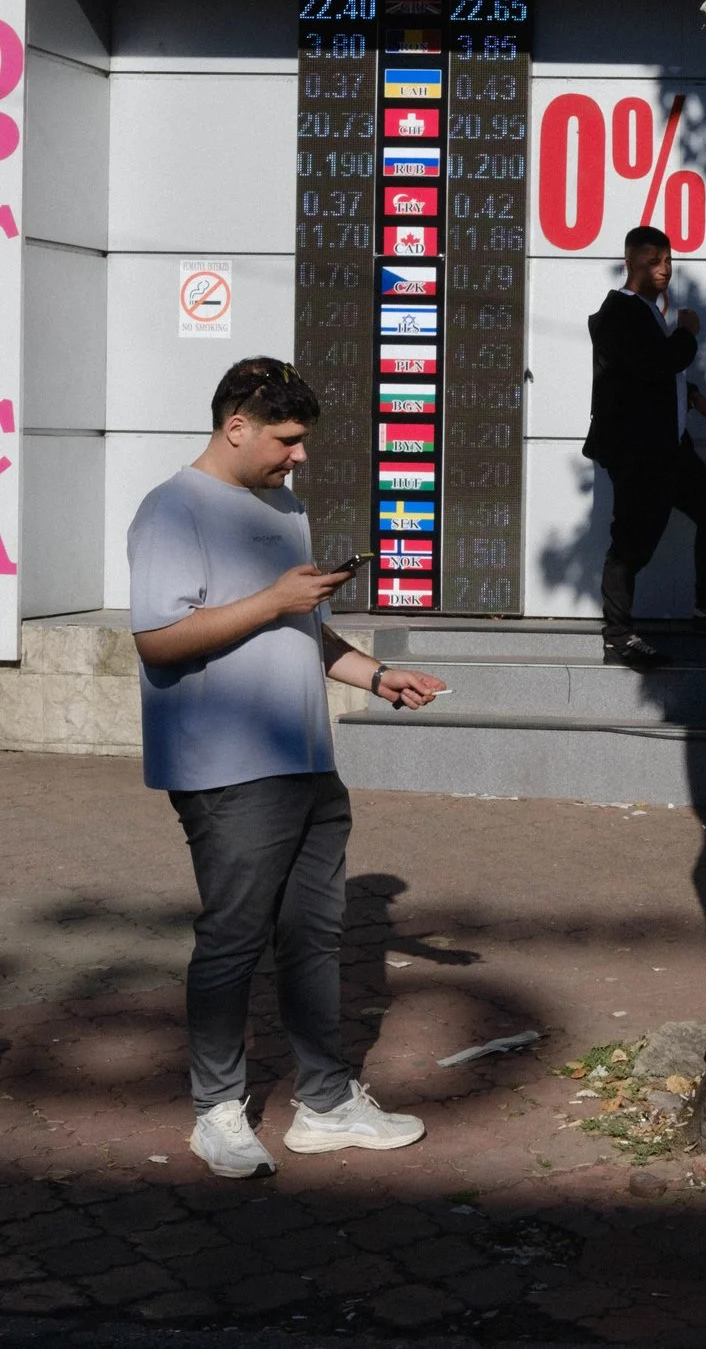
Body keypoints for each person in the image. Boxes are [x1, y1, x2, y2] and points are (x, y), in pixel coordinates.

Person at [127, 356, 449, 1178]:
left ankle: (326, 1104)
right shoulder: (172, 508)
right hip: (224, 769)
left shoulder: (285, 506)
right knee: (233, 939)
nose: (298, 456)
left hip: (308, 761)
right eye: (286, 439)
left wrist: (376, 675)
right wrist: (273, 600)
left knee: (314, 937)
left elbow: (307, 632)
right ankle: (216, 1111)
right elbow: (157, 639)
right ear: (236, 426)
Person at [585, 225, 706, 665]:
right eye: (652, 262)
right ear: (629, 264)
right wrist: (687, 332)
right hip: (639, 452)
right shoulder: (618, 314)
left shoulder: (646, 311)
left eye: (667, 261)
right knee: (631, 542)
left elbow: (655, 379)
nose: (663, 270)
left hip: (671, 448)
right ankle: (618, 636)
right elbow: (656, 365)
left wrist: (696, 399)